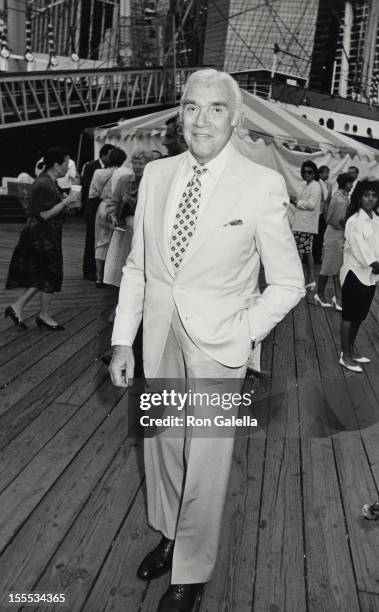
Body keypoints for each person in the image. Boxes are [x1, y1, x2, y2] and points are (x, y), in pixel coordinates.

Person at [109, 68, 305, 611]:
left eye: (215, 108)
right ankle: (172, 535)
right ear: (180, 115)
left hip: (220, 345)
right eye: (192, 107)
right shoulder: (157, 175)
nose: (201, 120)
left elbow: (288, 281)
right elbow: (137, 267)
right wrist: (124, 341)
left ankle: (192, 571)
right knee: (165, 446)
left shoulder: (262, 184)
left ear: (236, 118)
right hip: (160, 334)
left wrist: (243, 332)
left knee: (207, 460)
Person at [5, 148, 80, 331]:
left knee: (45, 274)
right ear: (56, 165)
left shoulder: (50, 182)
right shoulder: (43, 184)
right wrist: (66, 202)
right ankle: (41, 314)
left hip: (47, 235)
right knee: (48, 274)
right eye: (66, 163)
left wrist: (64, 203)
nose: (68, 167)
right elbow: (44, 214)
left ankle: (23, 309)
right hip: (42, 237)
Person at [339, 178, 379, 372]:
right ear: (359, 197)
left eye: (374, 195)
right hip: (355, 273)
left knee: (359, 317)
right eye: (366, 195)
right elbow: (361, 249)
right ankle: (345, 356)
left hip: (371, 276)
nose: (370, 199)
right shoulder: (354, 221)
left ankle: (351, 350)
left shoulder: (376, 219)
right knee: (349, 316)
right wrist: (374, 263)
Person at [104, 149, 152, 288]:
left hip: (143, 232)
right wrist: (112, 216)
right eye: (134, 162)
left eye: (141, 163)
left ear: (148, 165)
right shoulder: (124, 180)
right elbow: (113, 202)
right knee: (121, 267)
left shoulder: (152, 182)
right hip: (124, 230)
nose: (137, 166)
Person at [315, 173, 352, 309]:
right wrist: (343, 224)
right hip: (333, 235)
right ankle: (319, 294)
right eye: (351, 183)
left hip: (340, 236)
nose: (352, 185)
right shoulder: (338, 198)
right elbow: (329, 218)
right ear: (347, 184)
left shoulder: (345, 198)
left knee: (337, 268)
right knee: (326, 267)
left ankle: (338, 298)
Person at [94, 147, 127, 287]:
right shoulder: (125, 172)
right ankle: (111, 276)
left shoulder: (98, 173)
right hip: (116, 207)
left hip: (102, 206)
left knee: (100, 242)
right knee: (114, 243)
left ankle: (99, 277)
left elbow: (94, 192)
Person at [81, 143, 115, 280]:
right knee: (91, 239)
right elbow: (87, 187)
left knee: (102, 239)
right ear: (103, 155)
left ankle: (99, 269)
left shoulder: (110, 169)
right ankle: (88, 270)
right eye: (110, 155)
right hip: (93, 206)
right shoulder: (91, 166)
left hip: (103, 207)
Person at [290, 160, 322, 290]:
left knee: (301, 253)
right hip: (303, 225)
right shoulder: (309, 185)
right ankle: (310, 280)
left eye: (309, 172)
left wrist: (297, 202)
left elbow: (312, 204)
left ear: (314, 173)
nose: (306, 174)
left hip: (305, 226)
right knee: (306, 252)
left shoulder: (315, 186)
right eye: (304, 172)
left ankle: (300, 280)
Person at [313, 165, 331, 264]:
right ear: (320, 173)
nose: (327, 175)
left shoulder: (327, 184)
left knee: (320, 237)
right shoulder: (317, 184)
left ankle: (317, 256)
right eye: (325, 173)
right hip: (318, 213)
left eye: (328, 173)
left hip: (323, 213)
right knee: (317, 236)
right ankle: (314, 257)